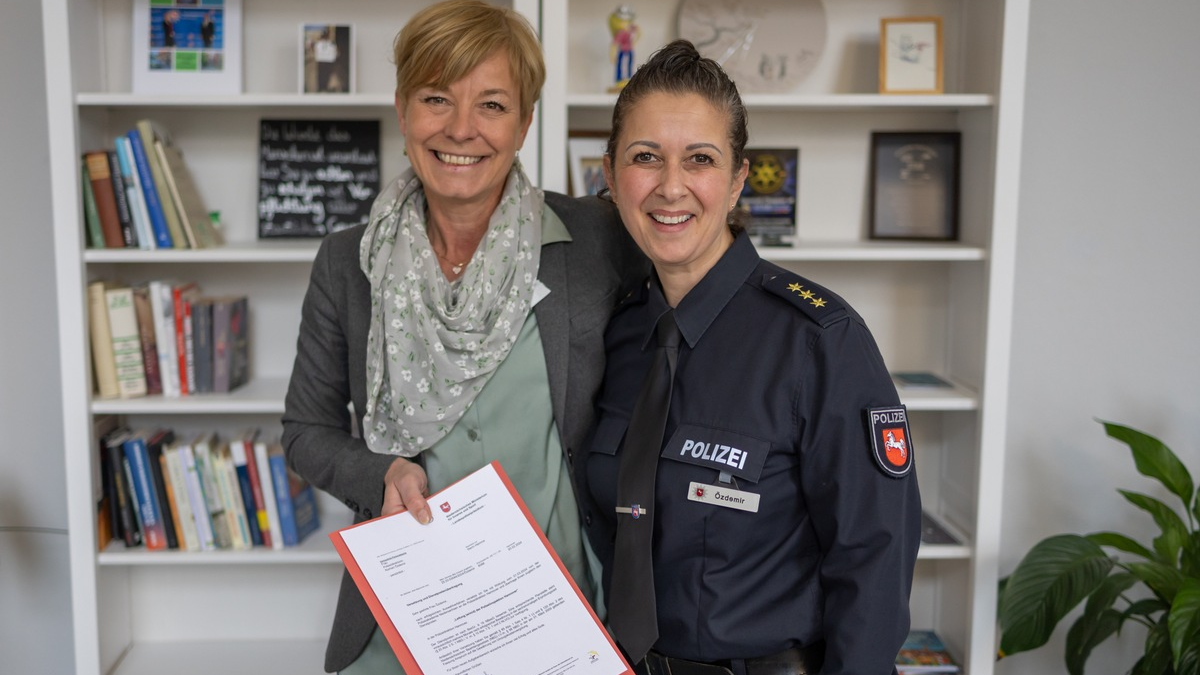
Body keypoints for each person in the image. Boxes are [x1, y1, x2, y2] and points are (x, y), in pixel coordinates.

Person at [281, 2, 644, 673]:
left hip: (561, 613)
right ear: (402, 109)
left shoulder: (597, 243)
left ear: (525, 122)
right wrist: (381, 470)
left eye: (493, 105)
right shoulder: (347, 262)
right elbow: (305, 430)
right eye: (436, 99)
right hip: (409, 617)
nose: (460, 129)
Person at [584, 40, 922, 675]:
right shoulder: (620, 331)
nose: (670, 186)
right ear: (610, 175)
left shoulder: (820, 340)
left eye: (701, 159)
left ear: (739, 178)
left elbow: (874, 562)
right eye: (645, 157)